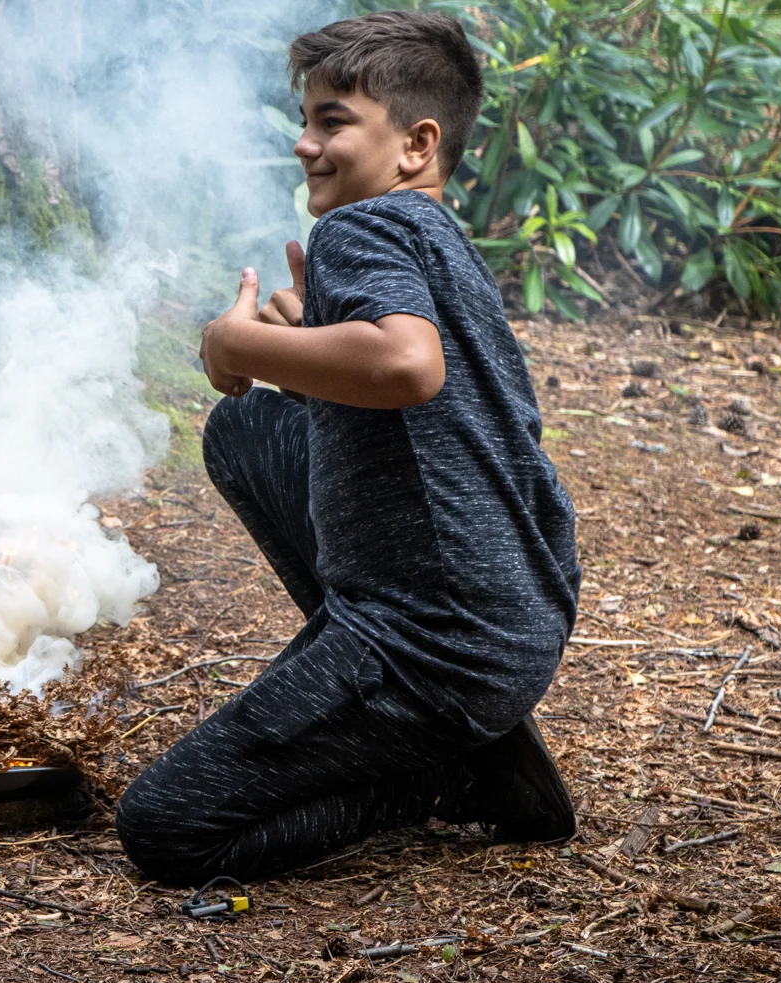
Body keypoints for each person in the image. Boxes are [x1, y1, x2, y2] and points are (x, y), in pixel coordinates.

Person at [115, 10, 581, 885]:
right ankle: (476, 741)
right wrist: (310, 351)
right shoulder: (441, 237)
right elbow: (424, 408)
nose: (304, 144)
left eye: (333, 122)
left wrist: (236, 345)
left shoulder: (359, 229)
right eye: (305, 121)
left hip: (436, 645)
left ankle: (444, 774)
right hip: (517, 617)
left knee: (166, 828)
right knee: (249, 428)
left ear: (416, 144)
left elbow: (407, 366)